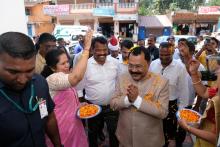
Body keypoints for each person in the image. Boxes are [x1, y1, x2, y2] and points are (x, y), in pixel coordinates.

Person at [0, 32, 62, 147]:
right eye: (13, 72)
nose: (23, 80)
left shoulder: (39, 83)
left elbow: (48, 117)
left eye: (29, 71)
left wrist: (58, 145)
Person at [110, 46, 169, 147]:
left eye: (138, 66)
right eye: (130, 65)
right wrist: (127, 100)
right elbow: (113, 104)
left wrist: (137, 100)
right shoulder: (122, 78)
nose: (133, 70)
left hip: (150, 142)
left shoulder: (161, 82)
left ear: (149, 63)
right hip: (125, 139)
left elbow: (163, 112)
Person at [76, 36, 119, 147]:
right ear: (92, 50)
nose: (102, 53)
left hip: (112, 106)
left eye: (104, 50)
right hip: (92, 107)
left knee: (114, 132)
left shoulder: (115, 63)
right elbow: (79, 88)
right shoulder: (85, 65)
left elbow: (119, 82)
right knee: (92, 132)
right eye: (98, 50)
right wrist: (82, 103)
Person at [150, 42, 189, 147]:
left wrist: (181, 113)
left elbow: (184, 91)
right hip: (155, 104)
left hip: (171, 106)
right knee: (155, 132)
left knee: (170, 135)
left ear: (173, 53)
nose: (163, 57)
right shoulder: (153, 64)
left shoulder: (180, 67)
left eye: (167, 55)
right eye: (161, 54)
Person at [178, 58, 220, 147]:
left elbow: (215, 138)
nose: (216, 73)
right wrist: (193, 74)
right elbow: (204, 92)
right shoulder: (217, 90)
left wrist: (188, 128)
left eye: (218, 71)